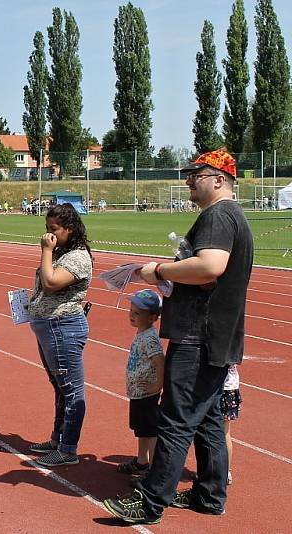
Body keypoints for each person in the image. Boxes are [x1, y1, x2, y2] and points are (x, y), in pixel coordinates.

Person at [104, 150, 253, 524]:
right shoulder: (231, 216)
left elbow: (210, 266)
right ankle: (209, 495)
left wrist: (158, 270)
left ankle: (151, 501)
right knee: (210, 419)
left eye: (195, 174)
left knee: (176, 419)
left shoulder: (218, 215)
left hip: (198, 336)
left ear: (219, 179)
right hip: (216, 336)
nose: (189, 179)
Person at [28, 203, 93, 467]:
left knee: (71, 389)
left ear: (70, 228)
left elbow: (51, 282)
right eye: (47, 229)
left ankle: (68, 449)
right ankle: (57, 439)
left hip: (63, 327)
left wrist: (46, 250)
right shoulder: (61, 252)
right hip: (49, 327)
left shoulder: (77, 256)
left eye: (54, 230)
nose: (49, 235)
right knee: (60, 388)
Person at [118, 290, 165, 481]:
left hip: (147, 393)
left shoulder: (150, 338)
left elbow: (160, 361)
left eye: (137, 313)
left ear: (153, 317)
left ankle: (153, 470)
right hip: (138, 392)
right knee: (142, 430)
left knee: (150, 430)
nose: (131, 315)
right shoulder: (142, 333)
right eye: (131, 310)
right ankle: (141, 461)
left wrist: (157, 386)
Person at [222, 364, 241, 486]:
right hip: (230, 386)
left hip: (222, 387)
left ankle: (224, 472)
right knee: (225, 431)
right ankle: (225, 472)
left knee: (222, 432)